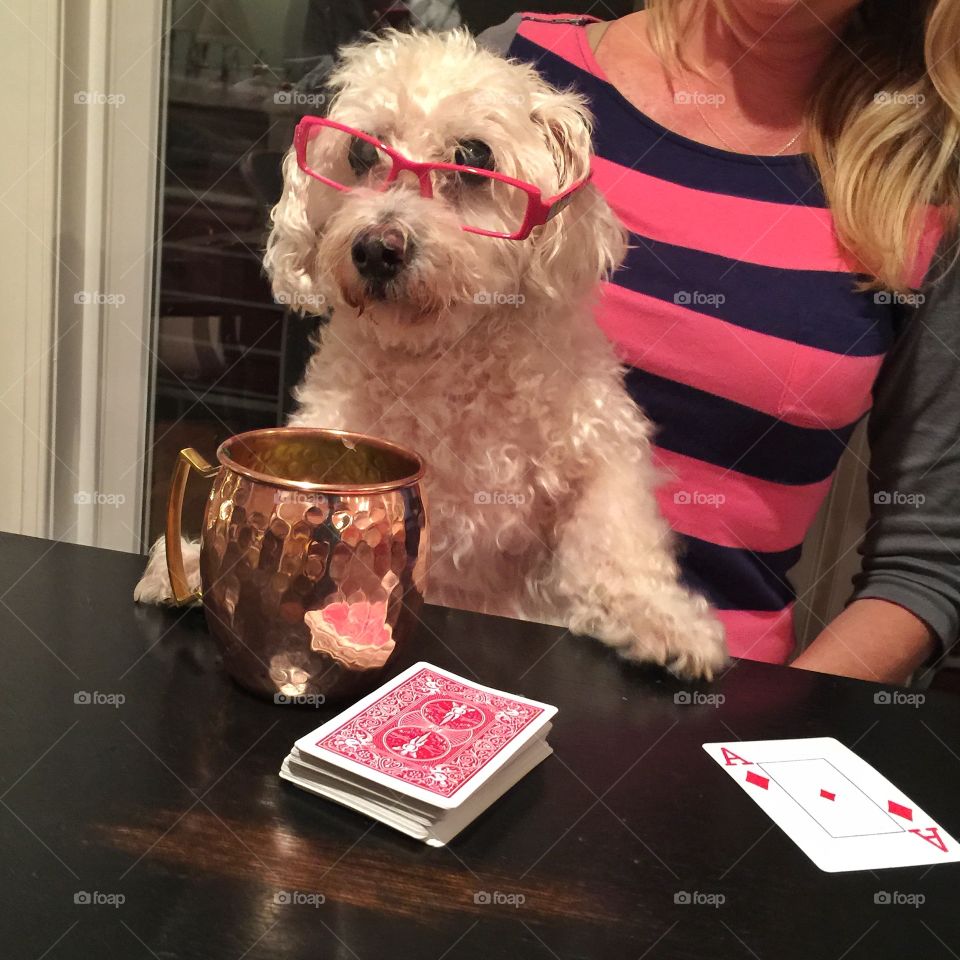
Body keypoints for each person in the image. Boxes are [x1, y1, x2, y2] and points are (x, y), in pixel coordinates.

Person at [479, 2, 960, 683]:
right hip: (437, 668)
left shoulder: (926, 179)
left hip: (705, 717)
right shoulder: (505, 73)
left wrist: (759, 751)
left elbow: (928, 558)